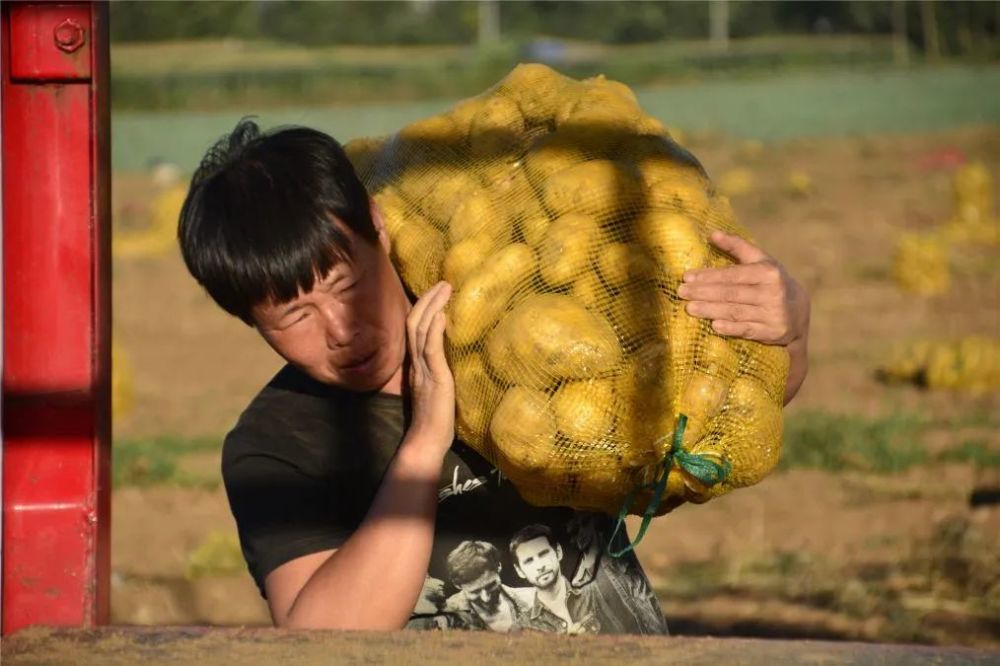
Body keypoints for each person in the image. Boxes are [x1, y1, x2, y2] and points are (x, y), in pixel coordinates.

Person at [177, 119, 810, 632]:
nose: (341, 329)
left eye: (347, 286)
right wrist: (425, 439)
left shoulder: (511, 330)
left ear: (377, 225)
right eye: (294, 316)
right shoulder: (275, 447)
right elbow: (324, 635)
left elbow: (703, 433)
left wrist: (786, 330)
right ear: (249, 321)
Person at [442, 541, 533, 631]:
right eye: (475, 592)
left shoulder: (532, 599)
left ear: (499, 567)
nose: (486, 598)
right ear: (457, 585)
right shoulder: (446, 619)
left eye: (491, 586)